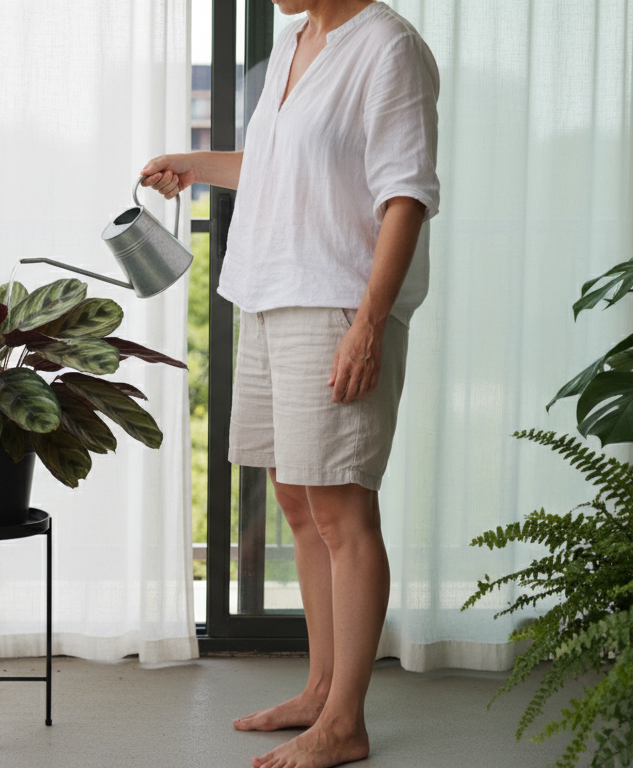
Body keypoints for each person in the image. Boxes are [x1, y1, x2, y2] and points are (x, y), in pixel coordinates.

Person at [142, 1, 439, 767]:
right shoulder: (291, 44)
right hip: (269, 293)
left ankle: (346, 722)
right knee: (298, 503)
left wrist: (368, 324)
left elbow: (405, 194)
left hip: (337, 300)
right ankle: (318, 689)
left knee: (342, 509)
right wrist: (195, 164)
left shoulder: (388, 47)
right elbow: (280, 162)